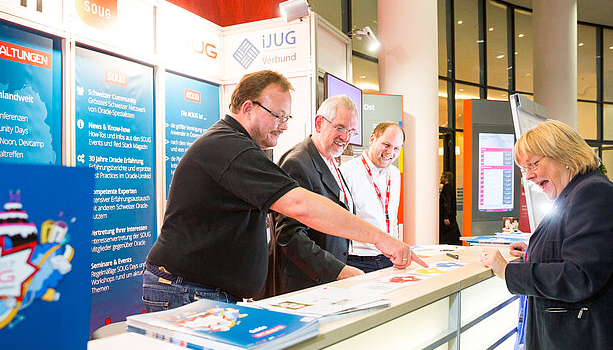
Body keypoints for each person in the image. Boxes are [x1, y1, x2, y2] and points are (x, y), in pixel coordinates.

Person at [143, 70, 424, 312]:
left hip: (204, 290)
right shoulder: (230, 147)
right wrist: (382, 239)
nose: (285, 125)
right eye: (278, 115)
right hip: (188, 290)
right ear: (247, 107)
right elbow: (301, 207)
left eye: (287, 117)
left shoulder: (242, 147)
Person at [480, 120, 613, 350]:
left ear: (564, 155)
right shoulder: (579, 192)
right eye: (523, 168)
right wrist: (534, 252)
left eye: (533, 164)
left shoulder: (592, 193)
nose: (527, 176)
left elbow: (581, 275)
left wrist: (508, 273)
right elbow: (579, 251)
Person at [271, 95, 363, 294]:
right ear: (319, 123)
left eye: (351, 131)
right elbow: (290, 235)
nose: (346, 138)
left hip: (328, 283)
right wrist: (337, 270)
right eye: (340, 128)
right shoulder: (297, 163)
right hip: (305, 285)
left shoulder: (330, 160)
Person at [340, 122, 404, 273]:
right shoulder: (347, 172)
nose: (390, 152)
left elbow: (392, 216)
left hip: (388, 257)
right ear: (372, 140)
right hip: (357, 259)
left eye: (396, 148)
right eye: (386, 145)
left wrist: (396, 245)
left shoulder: (394, 174)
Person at [438, 171, 461, 245]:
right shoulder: (451, 188)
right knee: (453, 233)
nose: (440, 178)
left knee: (448, 235)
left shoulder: (446, 189)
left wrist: (446, 216)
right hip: (451, 215)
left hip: (447, 216)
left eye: (442, 177)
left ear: (446, 178)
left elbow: (446, 203)